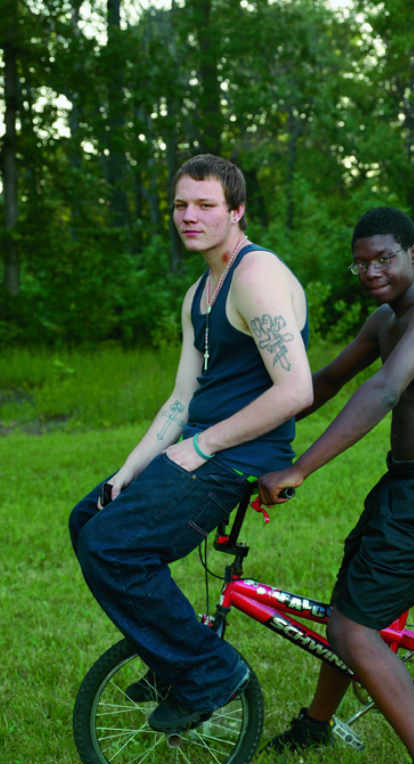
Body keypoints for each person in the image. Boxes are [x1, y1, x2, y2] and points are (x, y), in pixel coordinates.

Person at [258, 206, 414, 764]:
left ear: (413, 253)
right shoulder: (384, 320)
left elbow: (384, 390)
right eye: (360, 263)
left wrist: (300, 468)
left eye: (383, 258)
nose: (371, 272)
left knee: (354, 629)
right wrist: (247, 429)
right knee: (348, 608)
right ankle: (316, 725)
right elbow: (327, 380)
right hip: (405, 483)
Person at [69, 154, 312, 733]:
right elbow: (181, 400)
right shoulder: (199, 292)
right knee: (89, 518)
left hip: (238, 455)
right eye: (181, 205)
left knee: (112, 548)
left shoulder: (255, 276)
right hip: (204, 447)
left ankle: (207, 671)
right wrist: (128, 470)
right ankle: (172, 657)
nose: (189, 216)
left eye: (205, 205)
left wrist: (202, 448)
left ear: (237, 211)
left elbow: (296, 389)